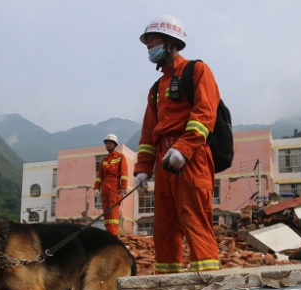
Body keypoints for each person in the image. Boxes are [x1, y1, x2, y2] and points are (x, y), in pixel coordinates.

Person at [133, 15, 221, 274]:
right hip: (164, 163)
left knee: (194, 219)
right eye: (147, 44)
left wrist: (183, 149)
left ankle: (208, 284)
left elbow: (205, 114)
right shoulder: (156, 89)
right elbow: (149, 134)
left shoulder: (196, 71)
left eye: (153, 42)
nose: (149, 49)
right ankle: (167, 284)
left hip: (192, 160)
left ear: (171, 42)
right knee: (164, 226)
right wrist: (142, 168)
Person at [94, 134, 129, 236]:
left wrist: (123, 186)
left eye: (110, 143)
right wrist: (96, 187)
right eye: (106, 143)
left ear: (115, 144)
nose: (107, 145)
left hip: (115, 186)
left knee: (113, 213)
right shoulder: (104, 161)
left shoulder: (120, 157)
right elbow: (100, 175)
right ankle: (108, 235)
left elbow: (124, 173)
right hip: (105, 187)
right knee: (106, 213)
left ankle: (114, 236)